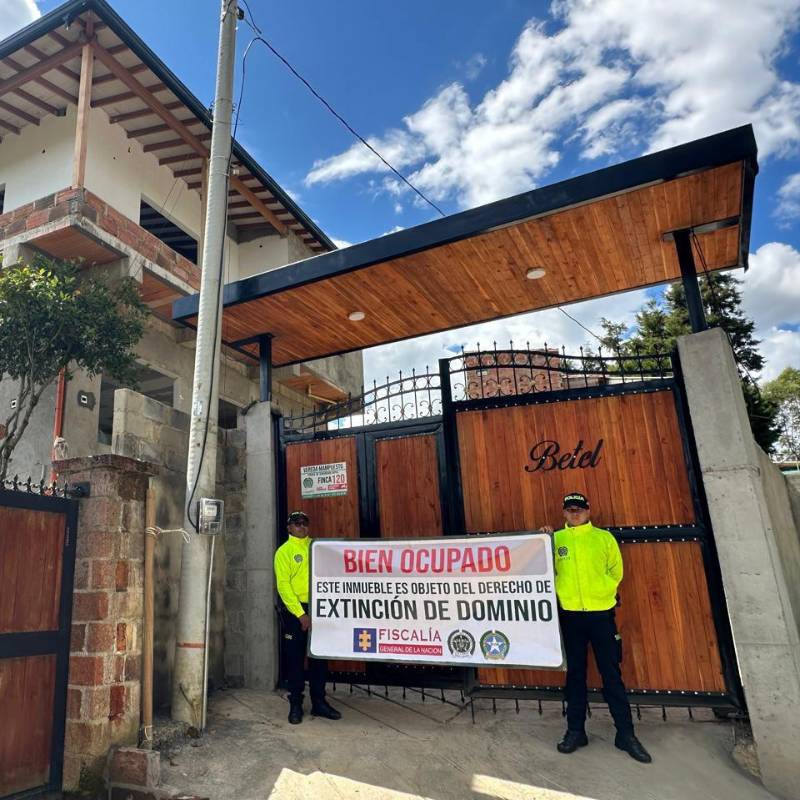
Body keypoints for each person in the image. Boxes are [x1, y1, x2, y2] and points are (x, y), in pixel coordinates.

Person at [541, 492, 651, 763]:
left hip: (601, 615)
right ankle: (575, 731)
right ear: (564, 513)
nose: (574, 513)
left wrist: (603, 592)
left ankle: (625, 734)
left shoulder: (603, 538)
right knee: (575, 675)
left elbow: (616, 572)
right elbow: (544, 568)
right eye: (570, 510)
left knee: (611, 674)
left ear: (589, 511)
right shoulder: (556, 540)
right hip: (571, 616)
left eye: (579, 509)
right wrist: (543, 537)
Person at [274, 510, 341, 725]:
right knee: (295, 660)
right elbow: (284, 587)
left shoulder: (317, 547)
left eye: (304, 523)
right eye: (296, 523)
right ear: (289, 528)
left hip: (319, 607)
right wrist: (301, 614)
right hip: (296, 612)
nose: (301, 527)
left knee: (319, 658)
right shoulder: (284, 552)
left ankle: (319, 702)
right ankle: (295, 704)